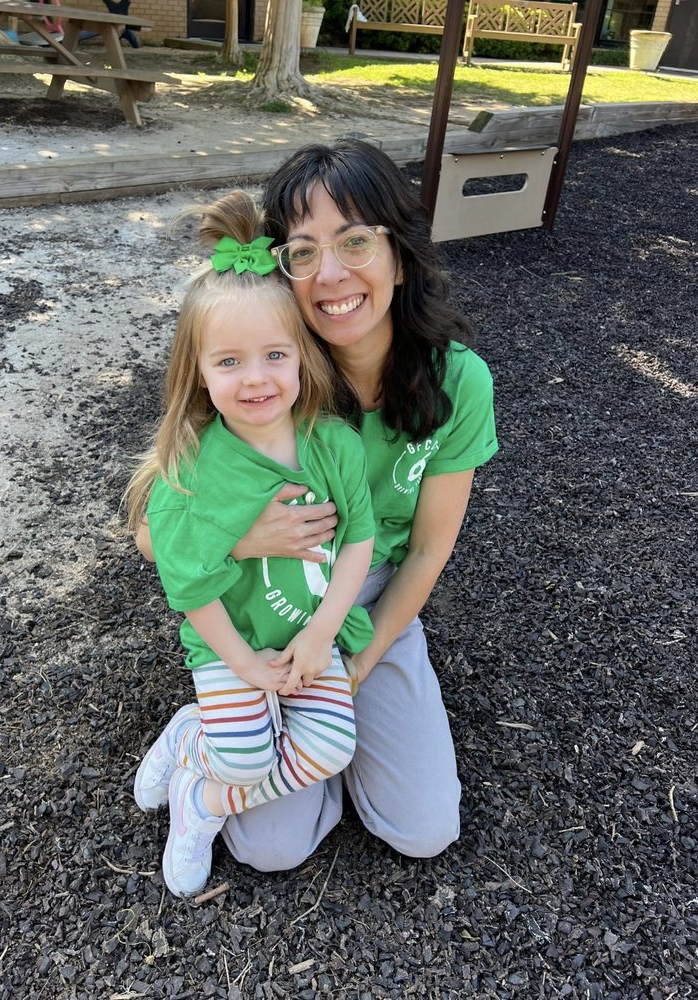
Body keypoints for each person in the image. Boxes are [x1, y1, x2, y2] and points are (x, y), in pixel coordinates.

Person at [136, 139, 498, 872]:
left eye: (356, 241)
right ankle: (204, 740)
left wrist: (357, 658)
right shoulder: (264, 367)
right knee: (271, 847)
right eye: (302, 252)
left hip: (366, 598)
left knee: (423, 830)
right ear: (281, 270)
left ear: (401, 254)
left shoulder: (456, 383)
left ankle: (323, 739)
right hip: (263, 604)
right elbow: (152, 536)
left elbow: (426, 548)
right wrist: (240, 539)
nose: (331, 273)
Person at [126, 190, 376, 897]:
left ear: (301, 358)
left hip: (311, 637)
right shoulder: (193, 467)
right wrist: (244, 664)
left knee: (330, 746)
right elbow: (189, 582)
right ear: (198, 373)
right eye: (229, 362)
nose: (257, 377)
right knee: (240, 757)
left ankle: (198, 802)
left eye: (273, 355)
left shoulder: (332, 444)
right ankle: (195, 741)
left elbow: (358, 541)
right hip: (230, 644)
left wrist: (323, 633)